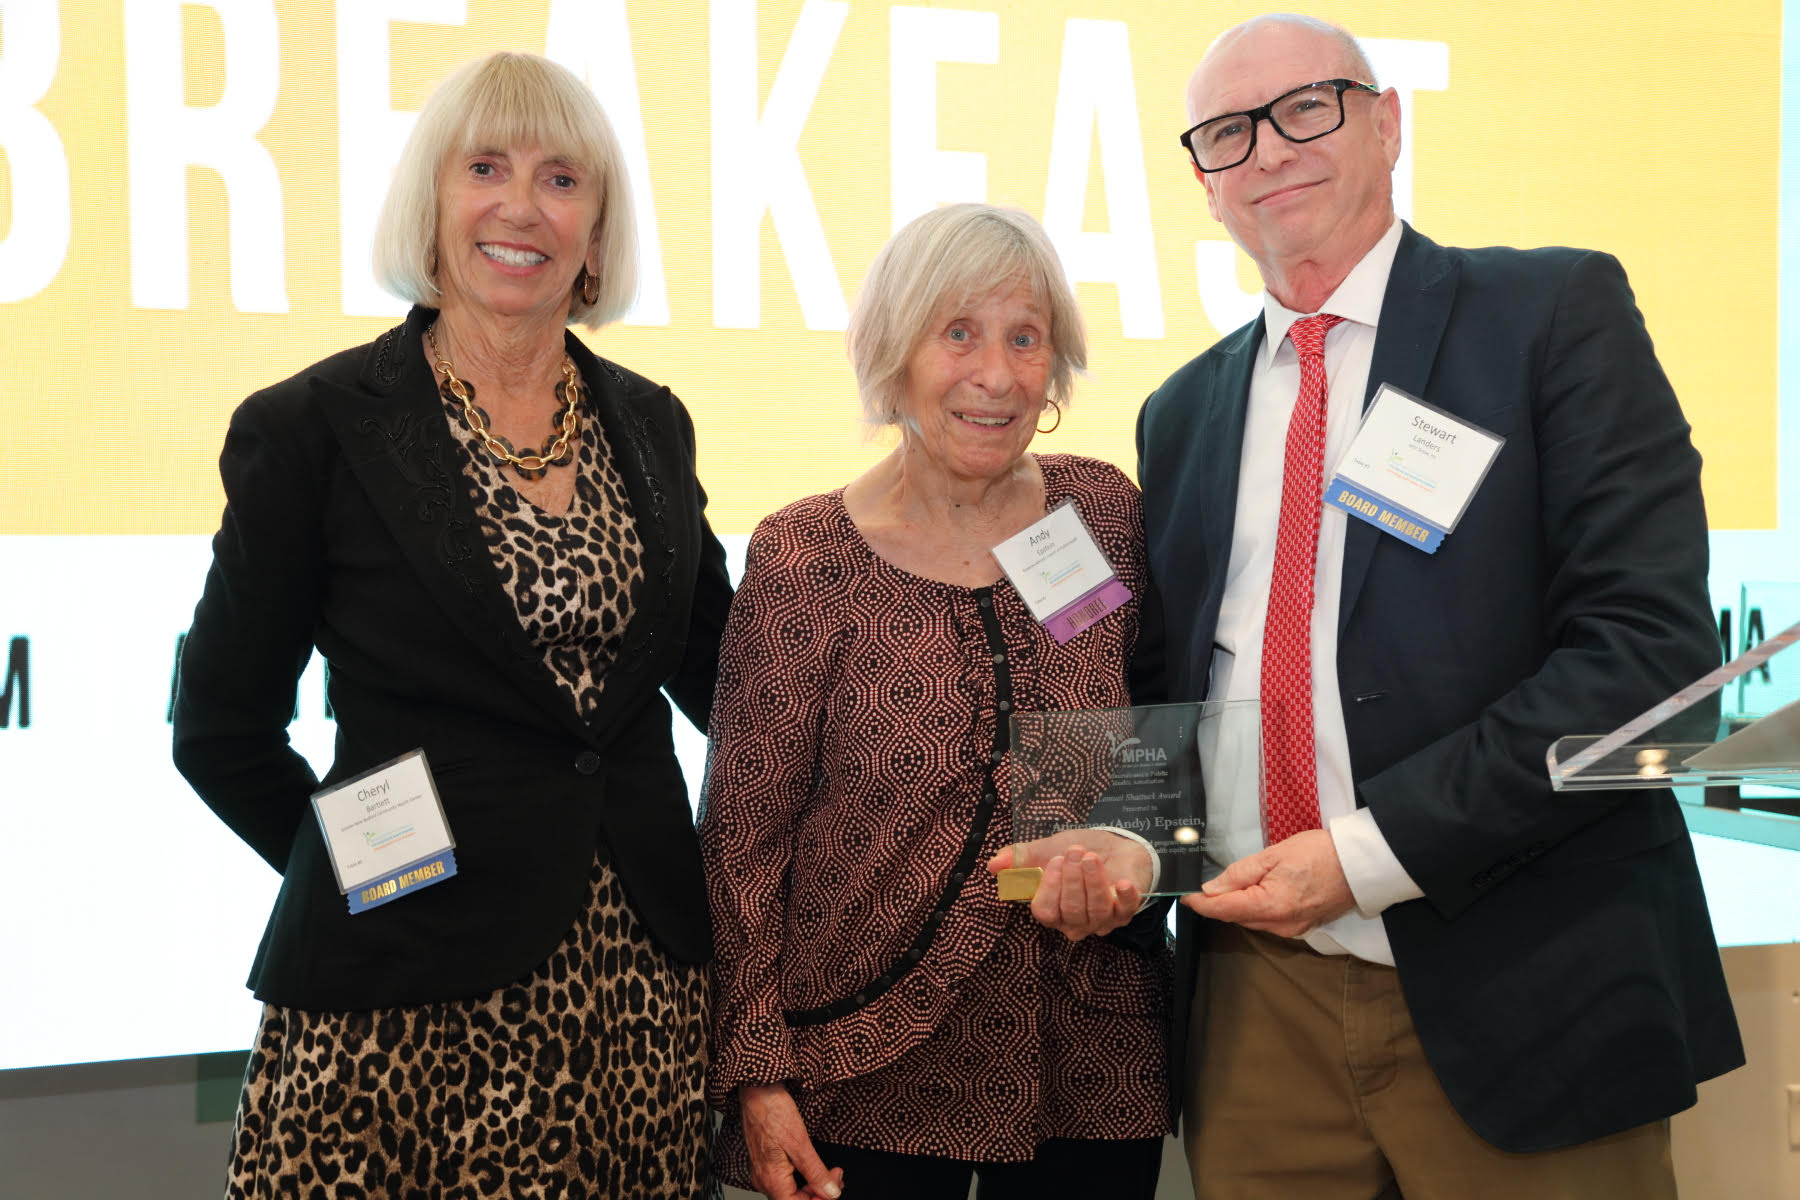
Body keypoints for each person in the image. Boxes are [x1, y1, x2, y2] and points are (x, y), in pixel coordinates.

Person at [1135, 14, 1744, 1200]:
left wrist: (1365, 856)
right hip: (1260, 1006)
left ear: (1387, 121)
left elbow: (1656, 673)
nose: (1266, 151)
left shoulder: (1552, 316)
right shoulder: (1181, 412)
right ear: (1204, 184)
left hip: (1532, 981)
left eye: (1305, 107)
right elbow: (1172, 697)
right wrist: (1109, 836)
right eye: (1225, 134)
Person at [171, 52, 731, 1198]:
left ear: (598, 225)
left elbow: (731, 685)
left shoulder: (652, 423)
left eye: (562, 178)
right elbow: (222, 729)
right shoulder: (313, 428)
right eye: (486, 167)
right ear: (432, 199)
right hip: (399, 1013)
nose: (522, 207)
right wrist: (379, 879)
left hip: (637, 1009)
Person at [699, 203, 1171, 1200]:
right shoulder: (805, 555)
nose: (995, 374)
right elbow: (744, 841)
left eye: (1024, 337)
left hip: (1087, 1057)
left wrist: (1136, 844)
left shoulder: (1104, 515)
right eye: (958, 332)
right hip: (865, 1068)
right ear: (893, 352)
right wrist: (758, 1072)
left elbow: (1157, 739)